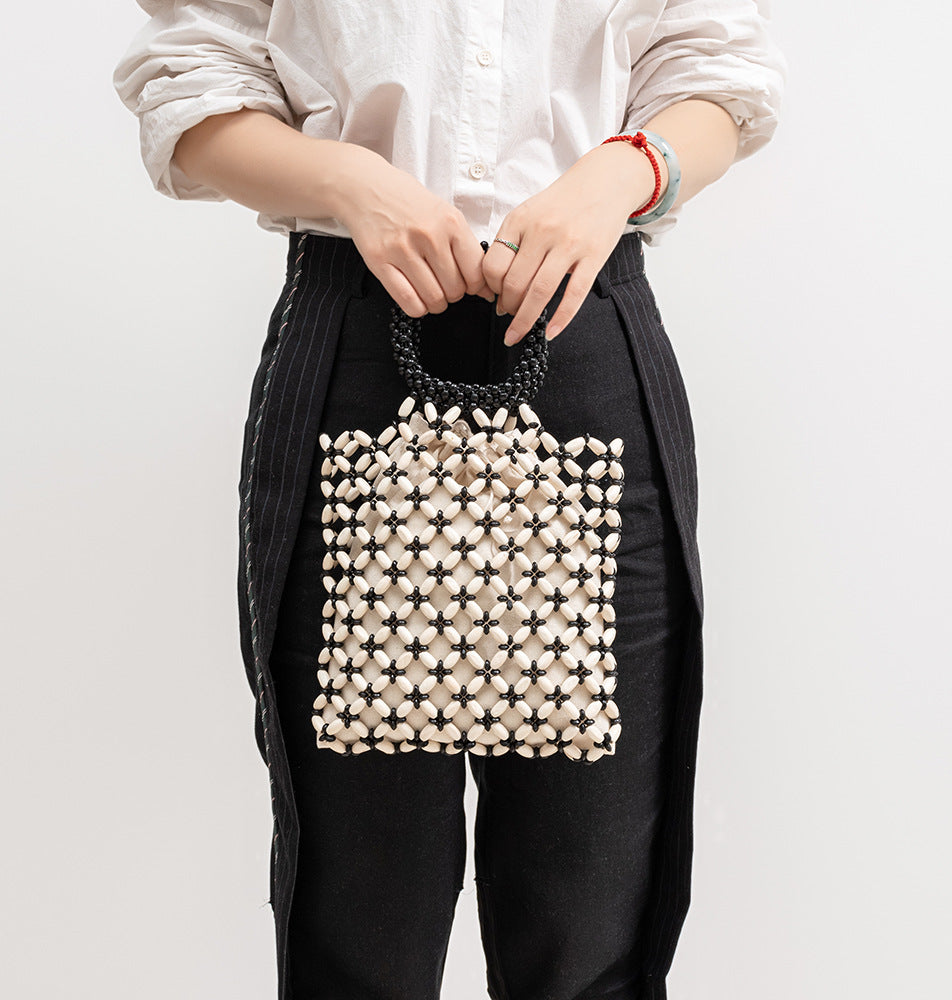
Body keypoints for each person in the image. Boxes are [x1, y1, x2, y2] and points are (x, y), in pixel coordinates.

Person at [112, 3, 786, 998]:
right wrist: (351, 181)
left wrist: (619, 174)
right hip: (357, 332)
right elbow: (194, 82)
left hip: (583, 338)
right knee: (358, 909)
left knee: (593, 900)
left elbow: (717, 74)